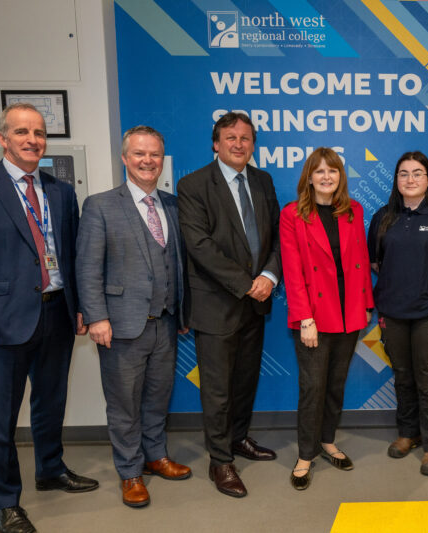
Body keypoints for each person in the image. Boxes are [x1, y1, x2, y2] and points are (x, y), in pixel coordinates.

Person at [0, 103, 97, 533]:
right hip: (3, 321)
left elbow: (70, 255)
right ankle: (5, 501)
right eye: (22, 132)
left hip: (58, 314)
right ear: (3, 138)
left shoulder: (61, 192)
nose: (32, 140)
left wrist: (81, 304)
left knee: (51, 404)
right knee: (0, 417)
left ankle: (50, 470)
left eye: (39, 133)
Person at [76, 126, 191, 508]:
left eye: (154, 155)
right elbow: (88, 267)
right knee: (124, 403)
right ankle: (130, 472)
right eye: (139, 154)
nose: (147, 161)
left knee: (158, 398)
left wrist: (183, 311)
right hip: (121, 325)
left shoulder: (172, 206)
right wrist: (96, 317)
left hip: (166, 322)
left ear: (162, 160)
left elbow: (178, 264)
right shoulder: (100, 205)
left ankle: (156, 457)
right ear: (124, 158)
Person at [177, 112, 282, 498]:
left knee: (244, 383)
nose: (239, 144)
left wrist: (268, 277)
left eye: (246, 138)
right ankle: (220, 461)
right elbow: (200, 246)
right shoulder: (193, 185)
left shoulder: (263, 180)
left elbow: (274, 237)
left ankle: (238, 440)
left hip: (256, 302)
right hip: (217, 304)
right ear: (215, 144)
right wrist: (246, 284)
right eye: (230, 137)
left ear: (253, 144)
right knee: (218, 390)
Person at [368, 151, 428, 476]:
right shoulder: (383, 217)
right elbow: (375, 263)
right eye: (403, 174)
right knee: (403, 375)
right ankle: (408, 433)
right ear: (396, 180)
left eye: (417, 173)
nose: (410, 180)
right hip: (393, 312)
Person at [279, 148, 374, 490]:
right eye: (318, 171)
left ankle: (328, 441)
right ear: (309, 177)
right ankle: (306, 454)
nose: (326, 177)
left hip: (349, 313)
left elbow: (360, 259)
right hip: (314, 318)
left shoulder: (353, 210)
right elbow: (292, 270)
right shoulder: (292, 215)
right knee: (313, 387)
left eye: (332, 171)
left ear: (340, 176)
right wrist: (304, 318)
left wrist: (365, 302)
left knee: (335, 384)